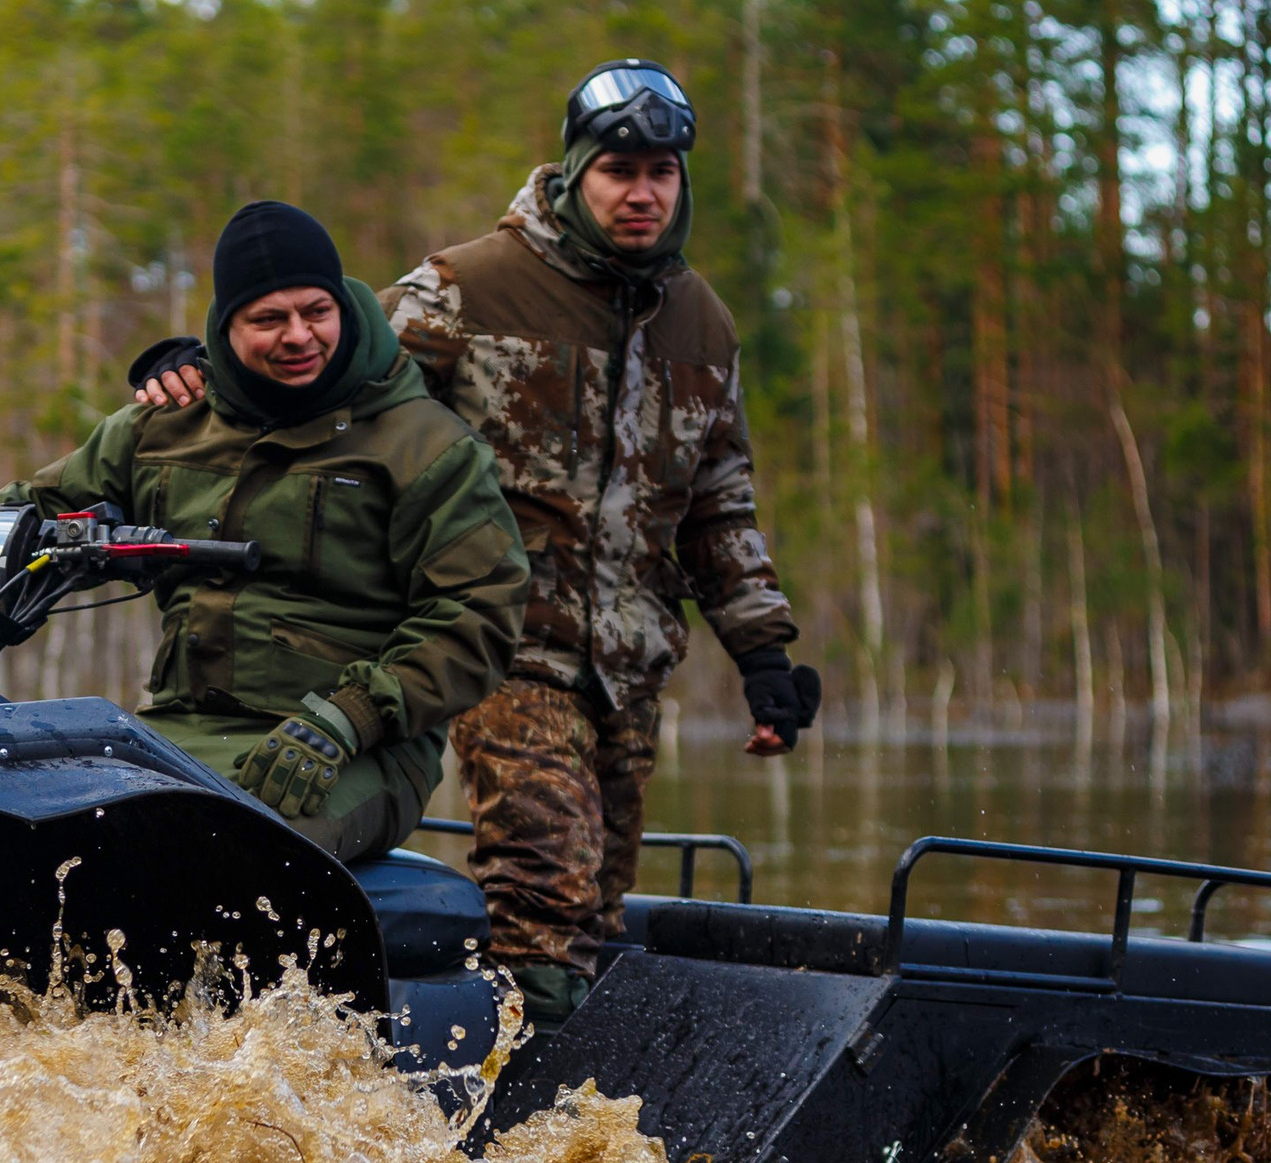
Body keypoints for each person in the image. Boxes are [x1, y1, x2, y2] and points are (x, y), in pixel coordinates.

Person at [133, 62, 818, 1026]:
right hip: (495, 641)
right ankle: (503, 1107)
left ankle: (565, 1116)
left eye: (661, 172)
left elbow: (719, 500)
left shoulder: (702, 322)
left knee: (596, 902)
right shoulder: (474, 286)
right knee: (543, 892)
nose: (642, 192)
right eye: (621, 169)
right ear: (577, 171)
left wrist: (764, 654)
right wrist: (197, 368)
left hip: (628, 661)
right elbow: (326, 365)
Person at [0, 200, 527, 864]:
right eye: (268, 320)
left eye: (315, 311)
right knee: (20, 842)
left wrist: (349, 716)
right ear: (225, 330)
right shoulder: (162, 426)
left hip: (351, 750)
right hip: (177, 727)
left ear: (343, 306)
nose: (298, 336)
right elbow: (34, 505)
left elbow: (477, 619)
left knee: (221, 857)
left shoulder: (426, 446)